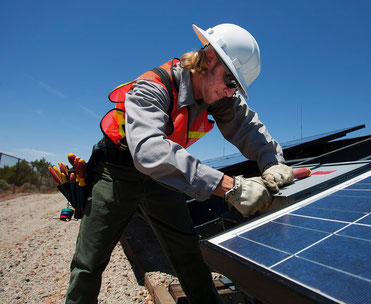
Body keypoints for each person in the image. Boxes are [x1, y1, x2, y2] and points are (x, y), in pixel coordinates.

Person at [65, 23, 294, 304]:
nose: (230, 92)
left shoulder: (219, 95)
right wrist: (230, 186)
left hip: (161, 177)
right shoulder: (153, 86)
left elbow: (249, 127)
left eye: (236, 86)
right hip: (117, 170)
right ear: (209, 59)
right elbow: (149, 150)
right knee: (90, 260)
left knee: (187, 252)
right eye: (230, 81)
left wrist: (273, 163)